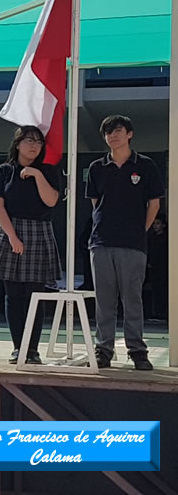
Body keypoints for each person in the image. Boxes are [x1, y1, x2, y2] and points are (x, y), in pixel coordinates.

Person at [86, 115, 164, 370]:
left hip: (133, 243)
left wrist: (140, 230)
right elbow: (95, 203)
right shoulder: (97, 167)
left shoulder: (146, 165)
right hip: (101, 242)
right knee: (104, 300)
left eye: (118, 130)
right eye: (108, 132)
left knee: (132, 298)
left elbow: (154, 203)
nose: (113, 136)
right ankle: (103, 350)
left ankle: (137, 351)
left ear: (129, 134)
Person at [0, 126, 61, 366]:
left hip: (39, 230)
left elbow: (51, 200)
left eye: (39, 142)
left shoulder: (48, 171)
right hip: (11, 230)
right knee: (14, 295)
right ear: (17, 143)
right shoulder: (4, 171)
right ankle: (18, 347)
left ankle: (33, 349)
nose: (34, 146)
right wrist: (12, 237)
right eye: (29, 141)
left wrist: (36, 174)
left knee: (35, 295)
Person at [146, 215, 168, 320]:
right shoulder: (151, 238)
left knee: (163, 290)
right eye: (154, 223)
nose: (155, 226)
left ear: (163, 225)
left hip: (163, 268)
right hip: (153, 268)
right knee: (155, 290)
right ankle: (156, 312)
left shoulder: (166, 239)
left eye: (158, 223)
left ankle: (162, 313)